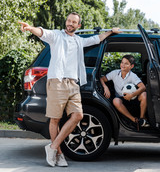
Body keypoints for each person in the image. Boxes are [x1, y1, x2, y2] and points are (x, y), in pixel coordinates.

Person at [18, 12, 120, 167]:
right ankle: (58, 154)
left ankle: (53, 147)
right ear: (66, 22)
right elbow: (42, 31)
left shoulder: (79, 41)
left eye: (74, 22)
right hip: (57, 82)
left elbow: (96, 39)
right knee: (55, 119)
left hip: (73, 84)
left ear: (78, 25)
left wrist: (111, 32)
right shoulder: (56, 36)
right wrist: (30, 28)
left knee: (78, 115)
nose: (70, 24)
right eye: (69, 21)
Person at [100, 54, 150, 129]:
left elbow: (143, 87)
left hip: (133, 98)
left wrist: (132, 95)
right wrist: (105, 87)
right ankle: (134, 119)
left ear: (131, 66)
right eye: (122, 62)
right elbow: (102, 79)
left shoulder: (133, 76)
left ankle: (142, 118)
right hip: (121, 98)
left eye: (126, 63)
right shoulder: (115, 73)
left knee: (144, 94)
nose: (123, 65)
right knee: (115, 101)